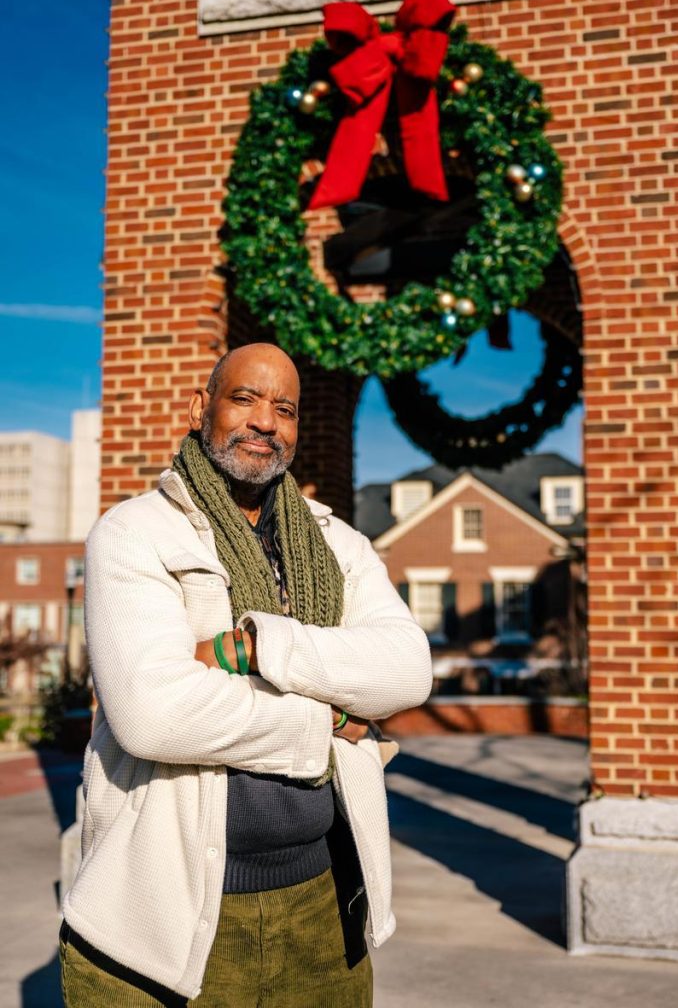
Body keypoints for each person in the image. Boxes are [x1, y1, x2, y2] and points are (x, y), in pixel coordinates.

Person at [60, 342, 431, 1007]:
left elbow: (406, 671)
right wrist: (326, 722)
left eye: (284, 408)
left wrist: (251, 649)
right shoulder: (134, 534)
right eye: (245, 398)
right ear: (202, 407)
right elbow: (156, 714)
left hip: (322, 915)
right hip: (160, 922)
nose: (266, 421)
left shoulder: (337, 544)